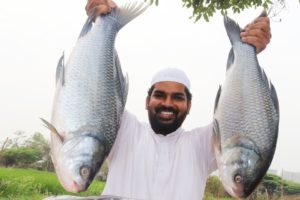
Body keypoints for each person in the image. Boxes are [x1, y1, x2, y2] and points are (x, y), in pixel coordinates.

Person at [85, 0, 272, 199]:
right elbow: (94, 95)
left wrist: (248, 51)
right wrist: (101, 21)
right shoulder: (123, 132)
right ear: (147, 101)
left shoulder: (201, 146)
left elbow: (244, 128)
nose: (167, 103)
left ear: (189, 105)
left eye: (177, 97)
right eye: (159, 95)